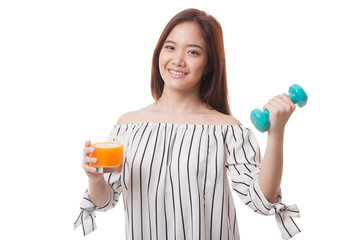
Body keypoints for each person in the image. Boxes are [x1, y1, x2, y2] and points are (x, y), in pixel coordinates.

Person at [74, 8, 301, 240]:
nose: (178, 60)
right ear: (159, 53)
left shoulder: (228, 130)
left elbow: (262, 201)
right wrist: (95, 179)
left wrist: (276, 133)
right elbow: (105, 201)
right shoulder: (127, 126)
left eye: (193, 52)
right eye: (170, 47)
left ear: (209, 64)